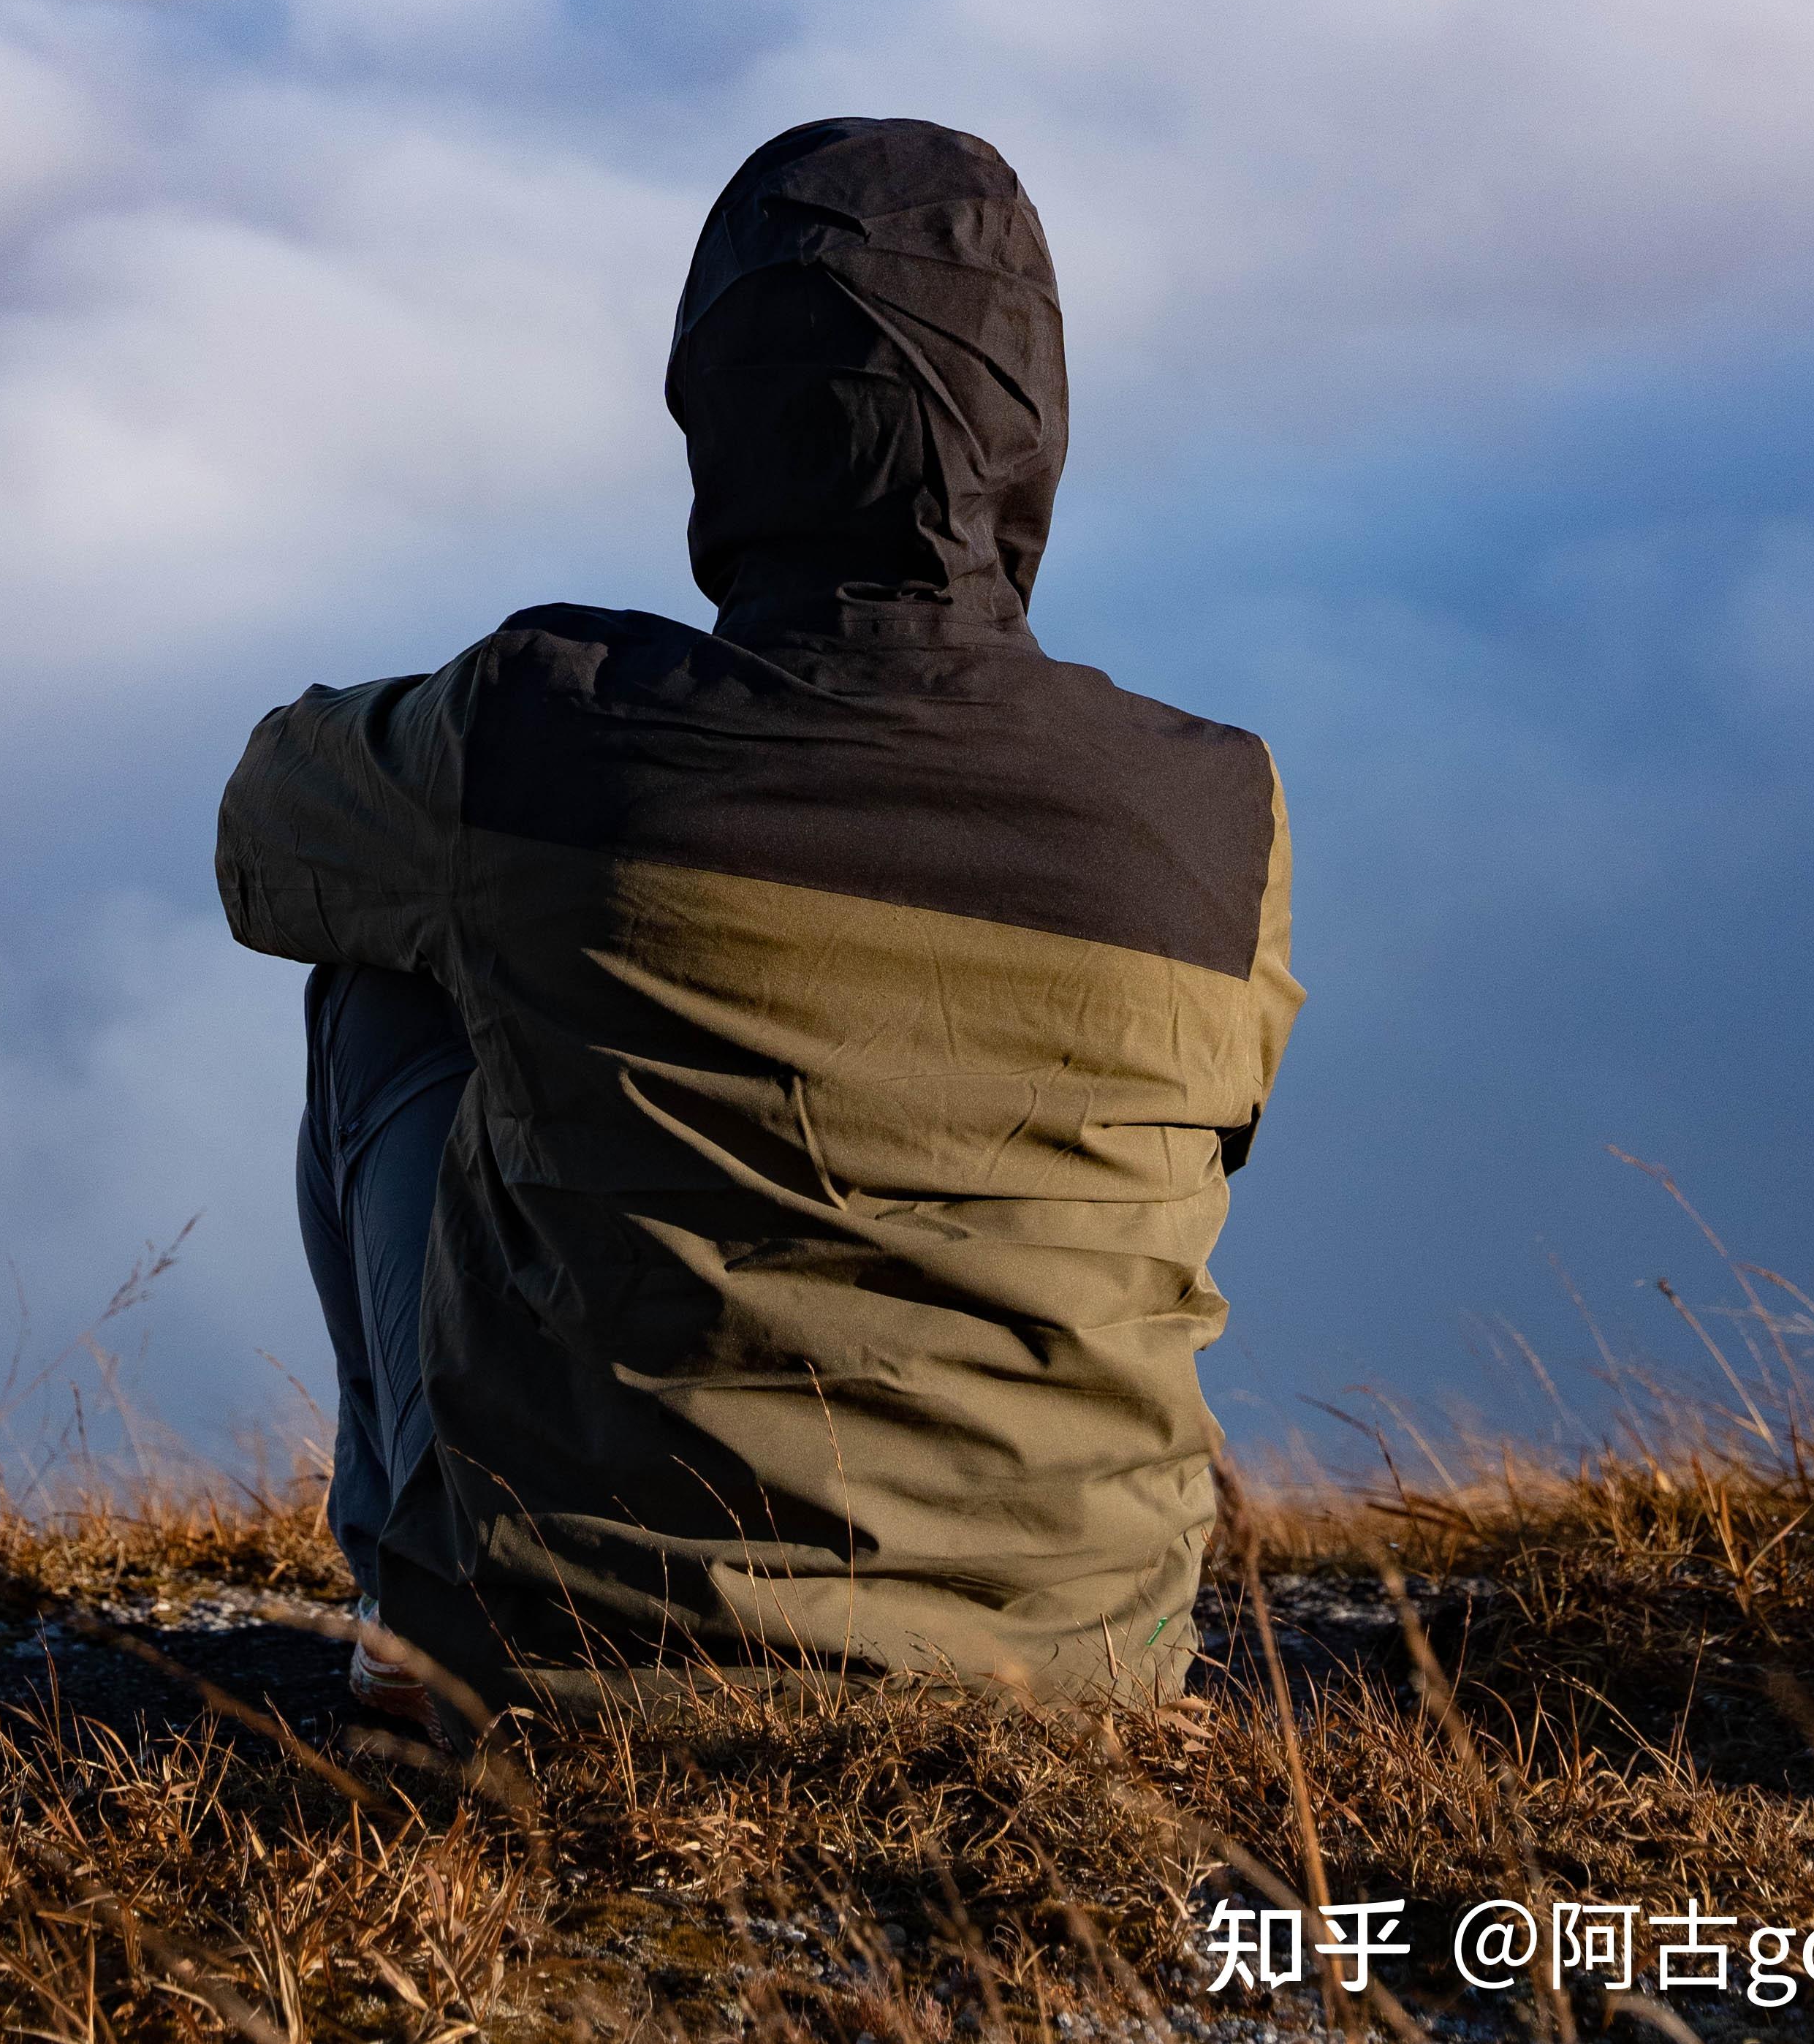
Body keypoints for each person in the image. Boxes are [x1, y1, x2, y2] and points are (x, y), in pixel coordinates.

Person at [216, 117, 1299, 1717]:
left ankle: (416, 1596)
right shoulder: (1218, 811)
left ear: (713, 414)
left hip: (574, 1674)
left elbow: (261, 838)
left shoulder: (538, 732)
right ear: (1030, 429)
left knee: (388, 982)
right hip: (1080, 1681)